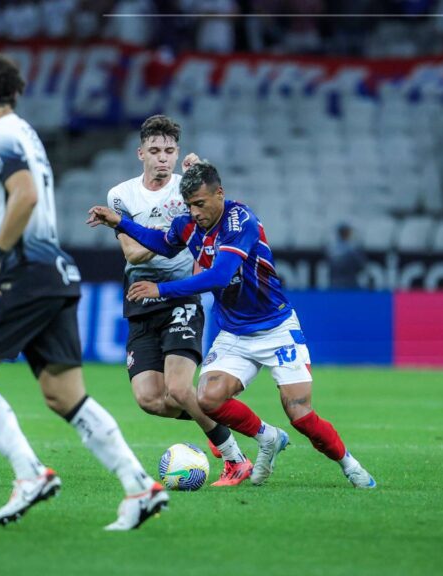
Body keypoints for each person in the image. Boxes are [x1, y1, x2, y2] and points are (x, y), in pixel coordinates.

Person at [0, 54, 166, 530]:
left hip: (25, 276)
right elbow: (22, 214)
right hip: (53, 273)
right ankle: (139, 486)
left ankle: (29, 474)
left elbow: (25, 196)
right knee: (63, 395)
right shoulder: (26, 134)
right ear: (15, 92)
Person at [87, 162, 377, 489]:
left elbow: (219, 276)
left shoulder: (241, 221)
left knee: (300, 414)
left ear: (219, 194)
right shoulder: (188, 225)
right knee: (208, 398)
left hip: (276, 328)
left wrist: (161, 289)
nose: (195, 212)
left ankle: (349, 464)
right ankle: (267, 437)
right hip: (235, 333)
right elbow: (163, 243)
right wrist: (121, 223)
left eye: (200, 203)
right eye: (190, 205)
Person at [106, 115, 254, 487]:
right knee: (150, 399)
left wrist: (198, 177)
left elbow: (217, 218)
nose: (163, 159)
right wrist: (171, 232)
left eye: (169, 151)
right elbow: (132, 254)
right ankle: (222, 421)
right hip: (140, 300)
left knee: (178, 387)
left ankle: (235, 458)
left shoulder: (188, 189)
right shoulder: (120, 195)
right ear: (141, 153)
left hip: (181, 296)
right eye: (154, 151)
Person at [326, 223, 365, 289]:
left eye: (347, 232)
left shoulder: (355, 248)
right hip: (336, 283)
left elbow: (362, 265)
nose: (345, 234)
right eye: (343, 232)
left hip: (351, 281)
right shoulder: (332, 248)